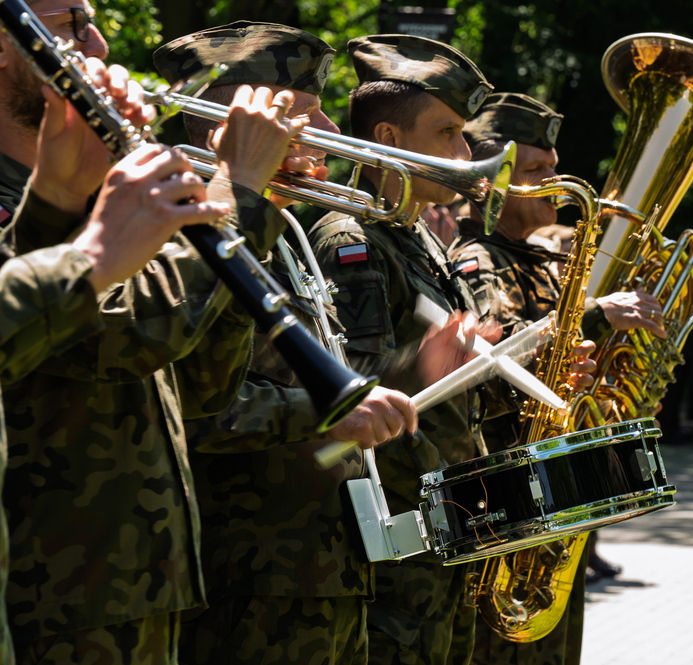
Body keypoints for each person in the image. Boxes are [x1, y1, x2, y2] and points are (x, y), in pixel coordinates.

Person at [0, 4, 302, 659]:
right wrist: (236, 194)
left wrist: (251, 211)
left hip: (147, 584)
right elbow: (119, 342)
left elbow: (202, 387)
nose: (98, 43)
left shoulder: (94, 189)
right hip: (55, 596)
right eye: (70, 22)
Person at [153, 22, 460, 664]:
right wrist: (324, 411)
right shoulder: (178, 235)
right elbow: (190, 407)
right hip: (248, 581)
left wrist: (410, 375)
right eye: (300, 114)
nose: (328, 131)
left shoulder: (287, 231)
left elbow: (321, 383)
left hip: (327, 567)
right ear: (232, 128)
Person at [307, 35, 596, 665]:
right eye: (447, 134)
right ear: (388, 137)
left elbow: (451, 386)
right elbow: (348, 397)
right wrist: (423, 372)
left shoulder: (418, 239)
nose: (466, 155)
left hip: (448, 533)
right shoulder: (352, 240)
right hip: (403, 544)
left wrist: (526, 374)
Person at [450, 91, 666, 665]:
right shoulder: (475, 258)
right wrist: (595, 313)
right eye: (536, 170)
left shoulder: (541, 262)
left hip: (558, 484)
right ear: (492, 182)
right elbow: (497, 351)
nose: (554, 181)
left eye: (554, 166)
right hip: (509, 493)